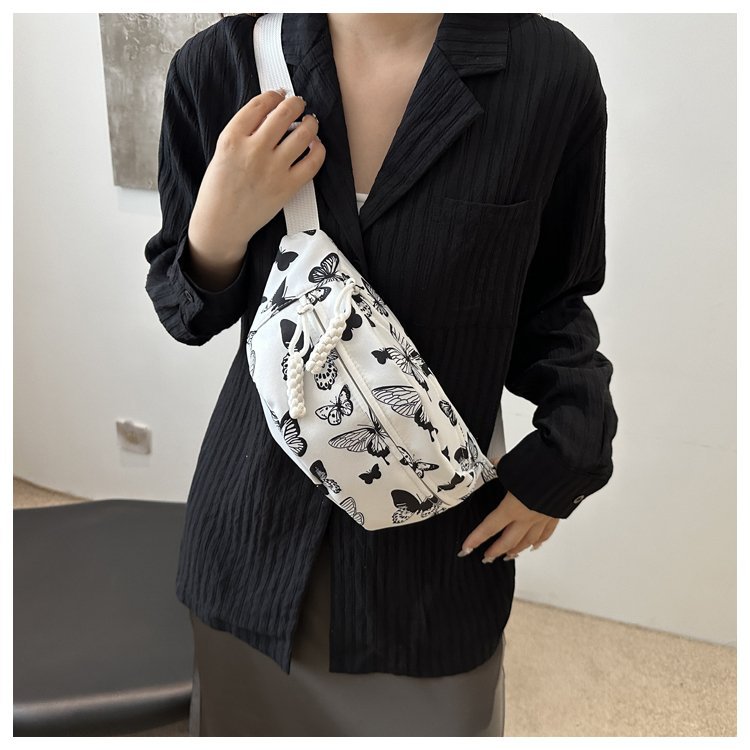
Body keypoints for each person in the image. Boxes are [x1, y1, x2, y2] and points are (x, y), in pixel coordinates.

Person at [144, 12, 618, 737]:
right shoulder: (219, 66)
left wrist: (572, 449)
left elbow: (553, 298)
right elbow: (187, 313)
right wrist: (218, 225)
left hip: (432, 557)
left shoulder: (550, 74)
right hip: (251, 536)